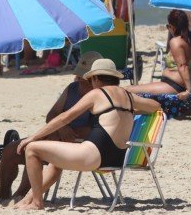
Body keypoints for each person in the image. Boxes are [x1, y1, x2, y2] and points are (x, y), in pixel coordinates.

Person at [13, 59, 161, 210]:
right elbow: (156, 106)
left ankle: (37, 203)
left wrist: (33, 137)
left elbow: (65, 117)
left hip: (93, 156)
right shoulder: (129, 96)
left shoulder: (97, 94)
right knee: (55, 162)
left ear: (96, 78)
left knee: (32, 149)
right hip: (119, 157)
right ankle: (28, 198)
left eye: (91, 80)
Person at [0, 51, 101, 200]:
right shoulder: (72, 88)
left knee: (35, 148)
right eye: (79, 76)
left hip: (77, 145)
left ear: (94, 79)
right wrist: (62, 128)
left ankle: (22, 194)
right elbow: (51, 115)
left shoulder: (100, 96)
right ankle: (3, 194)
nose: (79, 80)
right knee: (9, 151)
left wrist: (64, 131)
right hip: (56, 135)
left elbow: (96, 130)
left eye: (83, 78)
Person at [128, 10, 191, 99]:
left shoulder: (176, 42)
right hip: (188, 84)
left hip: (177, 86)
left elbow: (183, 66)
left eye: (168, 26)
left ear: (172, 27)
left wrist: (188, 91)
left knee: (126, 90)